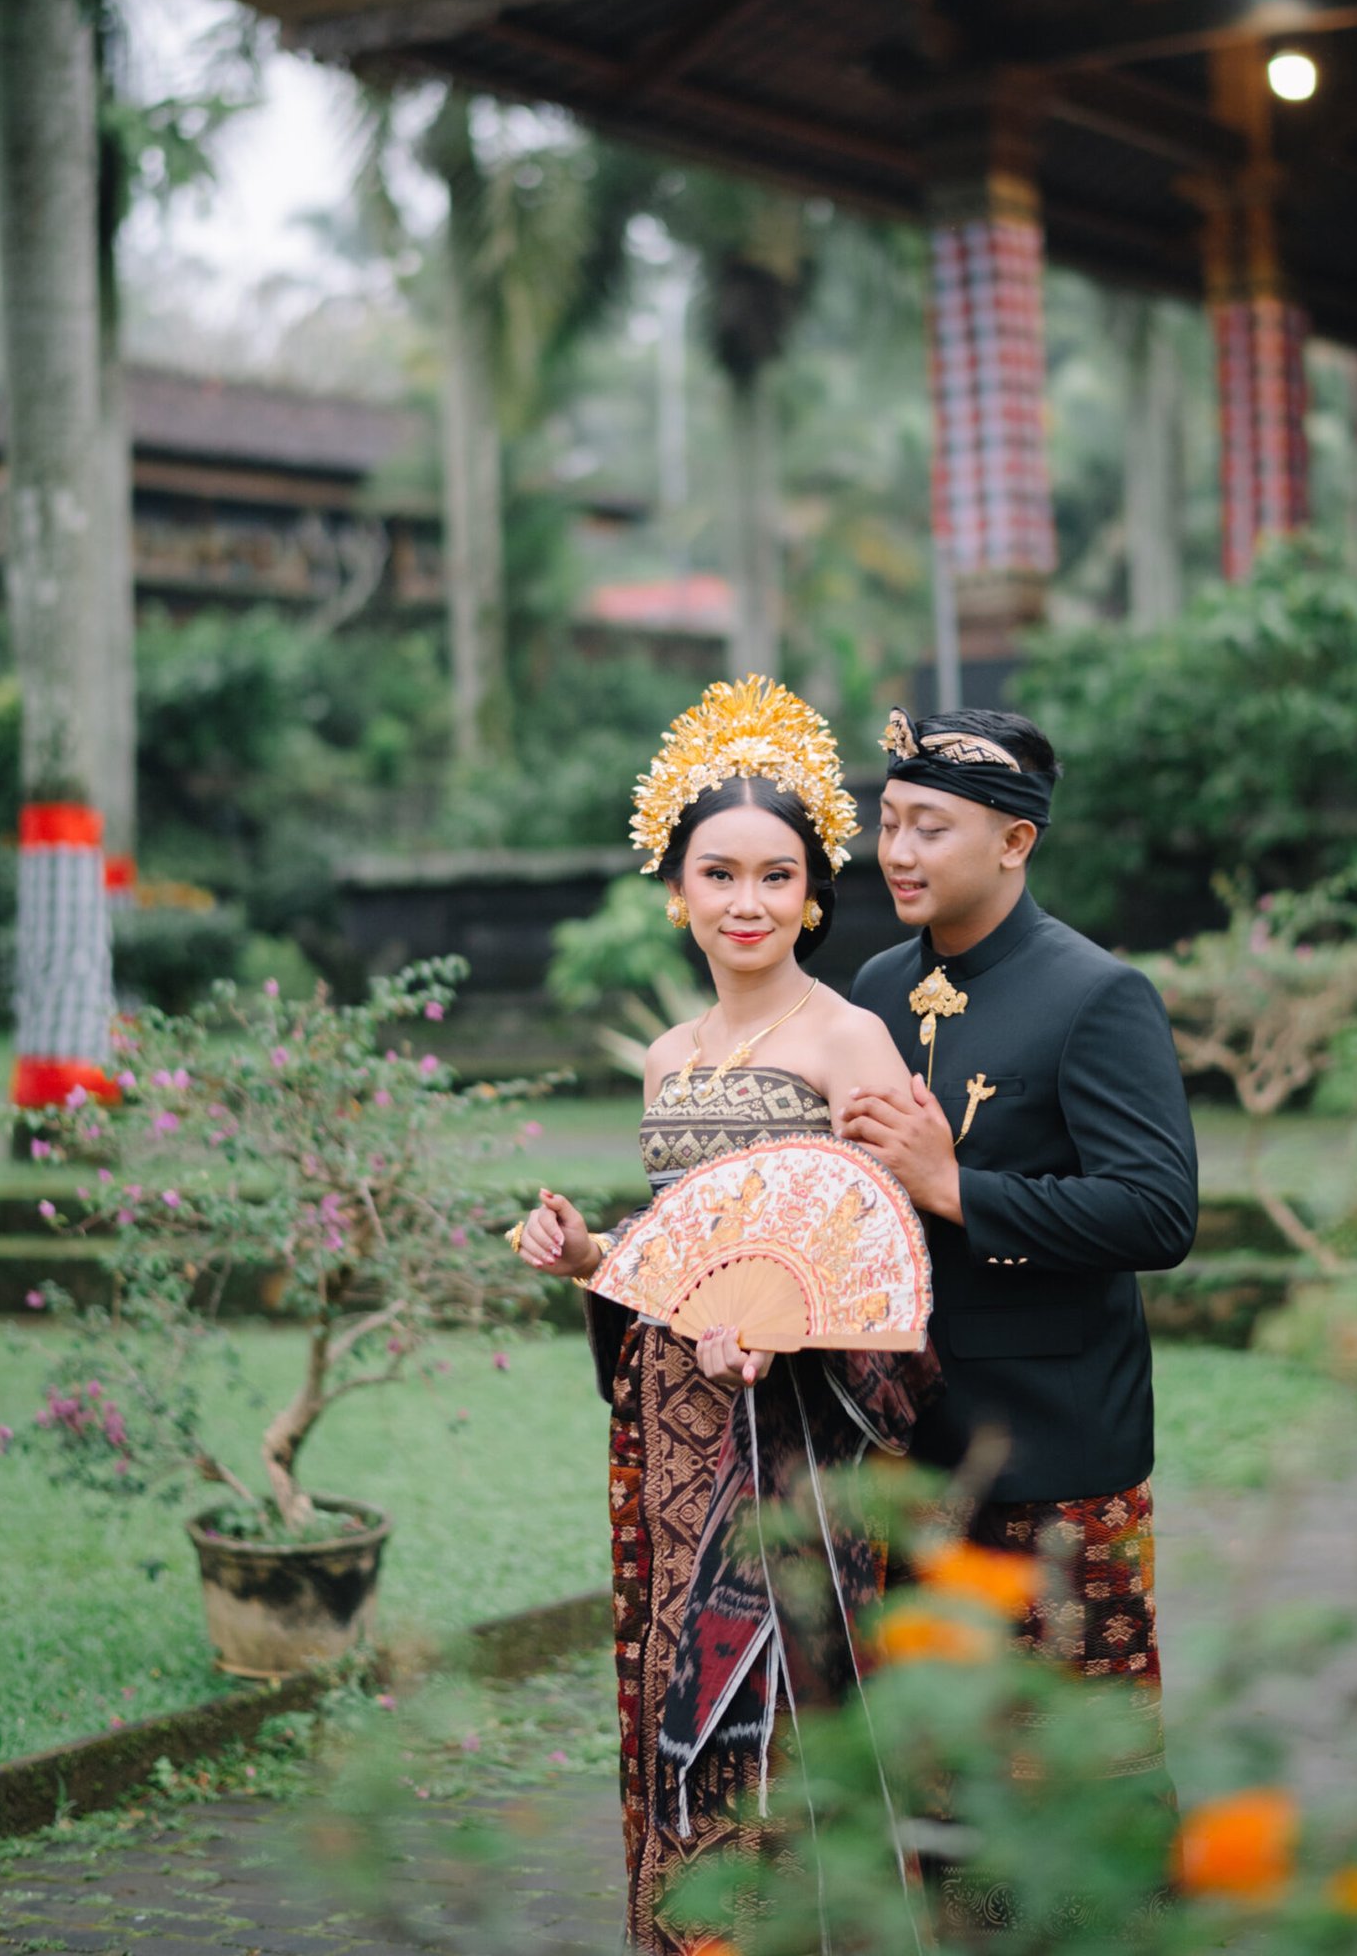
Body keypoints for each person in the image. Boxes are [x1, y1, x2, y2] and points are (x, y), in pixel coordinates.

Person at [513, 677, 938, 1956]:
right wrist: (590, 1253)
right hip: (676, 1425)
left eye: (774, 877)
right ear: (676, 889)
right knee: (676, 1668)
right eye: (719, 875)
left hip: (799, 1437)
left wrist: (785, 1332)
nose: (745, 903)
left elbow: (892, 1253)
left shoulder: (850, 1040)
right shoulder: (668, 1055)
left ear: (811, 894)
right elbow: (675, 1245)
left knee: (791, 1686)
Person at [843, 704, 1198, 1808]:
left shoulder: (1095, 995)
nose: (898, 851)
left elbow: (1157, 1215)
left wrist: (954, 1188)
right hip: (904, 1455)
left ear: (1015, 840)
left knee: (1071, 1782)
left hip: (1053, 1456)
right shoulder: (872, 990)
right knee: (933, 1780)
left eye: (931, 827)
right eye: (888, 821)